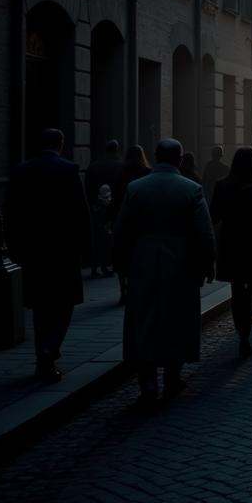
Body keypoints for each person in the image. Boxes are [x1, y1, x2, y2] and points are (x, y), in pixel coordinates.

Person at [112, 139, 215, 405]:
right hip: (180, 261)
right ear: (179, 159)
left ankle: (147, 381)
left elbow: (122, 229)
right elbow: (204, 232)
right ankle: (173, 374)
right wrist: (207, 262)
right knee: (178, 317)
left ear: (156, 158)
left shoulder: (136, 188)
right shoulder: (191, 189)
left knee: (143, 318)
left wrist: (120, 262)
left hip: (143, 259)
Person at [4, 128, 92, 383]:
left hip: (32, 250)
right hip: (63, 250)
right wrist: (87, 249)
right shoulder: (68, 170)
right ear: (61, 144)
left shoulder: (21, 171)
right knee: (64, 304)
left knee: (41, 306)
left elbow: (10, 211)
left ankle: (43, 358)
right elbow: (80, 211)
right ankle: (50, 349)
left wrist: (13, 246)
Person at [211, 147, 252, 358]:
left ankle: (241, 331)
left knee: (236, 290)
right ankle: (246, 333)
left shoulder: (222, 186)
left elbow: (215, 215)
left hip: (232, 243)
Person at [112, 145, 152, 303]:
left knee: (122, 258)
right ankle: (138, 288)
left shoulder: (122, 172)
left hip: (125, 221)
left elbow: (116, 197)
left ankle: (123, 290)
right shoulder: (148, 172)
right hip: (142, 223)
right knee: (140, 256)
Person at [85, 139, 123, 278]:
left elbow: (88, 187)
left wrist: (92, 204)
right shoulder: (121, 166)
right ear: (117, 149)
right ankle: (107, 265)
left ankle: (95, 267)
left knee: (97, 238)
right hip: (115, 209)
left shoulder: (94, 166)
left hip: (97, 208)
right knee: (111, 238)